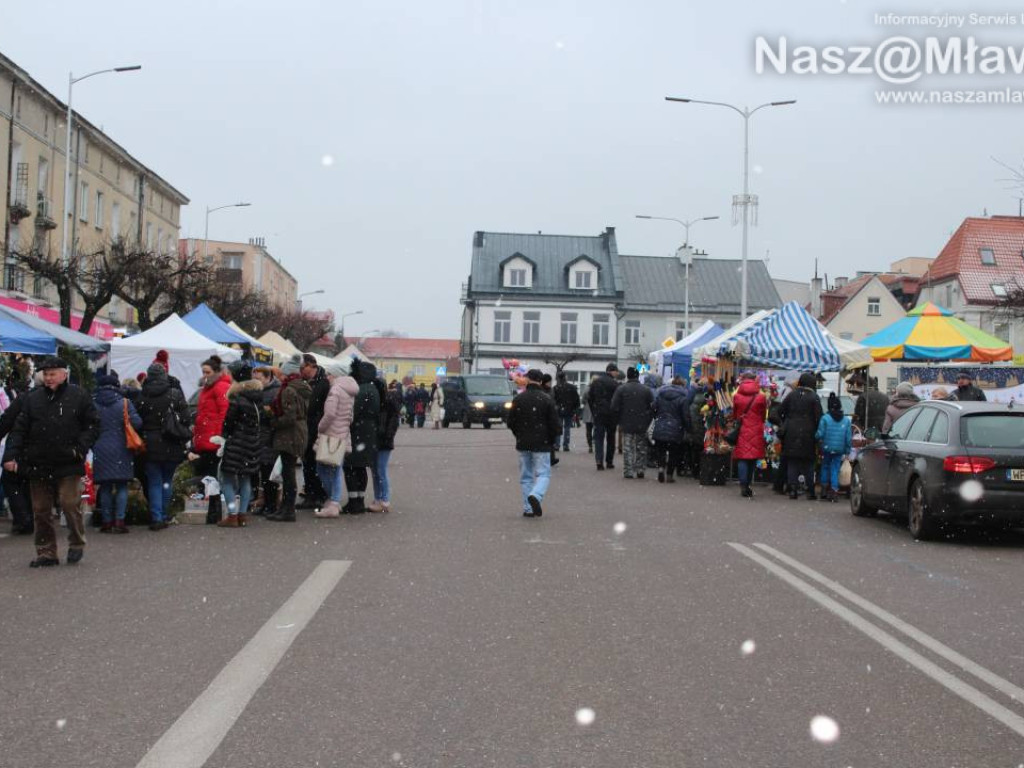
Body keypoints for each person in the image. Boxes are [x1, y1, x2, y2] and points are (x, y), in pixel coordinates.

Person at [5, 357, 99, 566]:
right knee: (41, 510)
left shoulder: (78, 396)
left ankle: (76, 542)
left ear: (64, 374)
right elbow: (19, 429)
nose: (48, 378)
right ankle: (46, 552)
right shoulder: (33, 399)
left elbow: (93, 425)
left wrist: (79, 449)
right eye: (46, 374)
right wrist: (10, 455)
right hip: (38, 462)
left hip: (68, 461)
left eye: (52, 374)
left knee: (69, 504)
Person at [136, 363, 191, 531]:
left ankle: (156, 517)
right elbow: (186, 418)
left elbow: (137, 422)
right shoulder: (174, 394)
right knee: (167, 480)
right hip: (172, 441)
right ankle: (164, 514)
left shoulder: (142, 395)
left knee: (154, 481)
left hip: (150, 443)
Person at [92, 371, 142, 533]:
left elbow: (88, 426)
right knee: (121, 485)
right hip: (122, 447)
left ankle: (106, 521)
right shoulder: (124, 403)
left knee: (105, 486)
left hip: (100, 447)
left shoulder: (93, 403)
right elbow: (137, 423)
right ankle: (120, 521)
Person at [216, 361, 265, 528]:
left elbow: (228, 423)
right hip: (252, 443)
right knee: (245, 479)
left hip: (237, 443)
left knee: (226, 479)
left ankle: (232, 515)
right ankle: (242, 514)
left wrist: (224, 436)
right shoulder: (257, 397)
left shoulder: (237, 398)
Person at [507, 369, 560, 518]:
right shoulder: (547, 399)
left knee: (526, 476)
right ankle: (536, 495)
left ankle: (528, 508)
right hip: (542, 443)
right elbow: (555, 425)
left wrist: (519, 434)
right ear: (541, 381)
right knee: (544, 474)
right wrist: (551, 439)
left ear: (527, 379)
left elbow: (510, 421)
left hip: (523, 442)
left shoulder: (518, 399)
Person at [266, 355, 312, 522]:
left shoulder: (289, 390)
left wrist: (273, 420)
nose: (280, 376)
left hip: (290, 434)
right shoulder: (302, 387)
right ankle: (286, 508)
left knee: (288, 473)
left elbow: (289, 417)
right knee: (289, 471)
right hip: (299, 432)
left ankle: (288, 509)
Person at [313, 362, 358, 518]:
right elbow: (351, 417)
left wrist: (320, 427)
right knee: (335, 469)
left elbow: (330, 414)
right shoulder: (349, 391)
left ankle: (334, 501)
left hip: (331, 434)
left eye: (328, 374)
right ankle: (334, 501)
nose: (326, 377)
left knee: (323, 468)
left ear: (335, 375)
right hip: (343, 433)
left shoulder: (335, 390)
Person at [193, 355, 232, 524]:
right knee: (209, 477)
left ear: (216, 372)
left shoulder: (219, 387)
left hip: (212, 440)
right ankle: (212, 511)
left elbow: (224, 413)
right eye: (203, 372)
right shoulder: (208, 388)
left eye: (207, 372)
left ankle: (214, 512)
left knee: (213, 477)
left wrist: (219, 437)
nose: (204, 375)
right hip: (206, 437)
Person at [343, 361, 381, 514]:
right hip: (369, 432)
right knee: (361, 468)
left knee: (350, 467)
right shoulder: (373, 388)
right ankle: (359, 500)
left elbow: (353, 412)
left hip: (358, 432)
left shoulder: (361, 389)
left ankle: (353, 502)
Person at [779, 372, 823, 500]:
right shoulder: (814, 397)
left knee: (792, 462)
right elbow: (819, 417)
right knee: (808, 462)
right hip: (808, 433)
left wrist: (786, 423)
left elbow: (779, 411)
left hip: (791, 432)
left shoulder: (792, 395)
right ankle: (810, 491)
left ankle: (792, 490)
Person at [298, 354, 331, 509]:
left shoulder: (323, 383)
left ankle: (319, 495)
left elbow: (321, 408)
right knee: (307, 464)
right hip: (306, 428)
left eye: (302, 367)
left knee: (316, 464)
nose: (300, 371)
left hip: (316, 428)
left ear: (311, 365)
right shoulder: (305, 382)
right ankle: (310, 495)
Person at [0, 384, 33, 535]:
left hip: (19, 448)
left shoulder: (24, 399)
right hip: (39, 449)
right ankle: (30, 518)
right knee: (30, 482)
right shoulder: (56, 399)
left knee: (12, 481)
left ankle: (23, 519)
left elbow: (7, 420)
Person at [610, 366, 654, 479]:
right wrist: (647, 418)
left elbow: (614, 406)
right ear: (638, 376)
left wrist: (619, 418)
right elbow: (653, 407)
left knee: (628, 448)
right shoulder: (646, 390)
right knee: (641, 447)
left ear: (628, 376)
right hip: (642, 423)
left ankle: (628, 471)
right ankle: (640, 469)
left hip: (626, 423)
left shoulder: (621, 389)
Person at [731, 371, 768, 498]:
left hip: (742, 428)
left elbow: (735, 414)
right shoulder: (761, 397)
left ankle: (743, 484)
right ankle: (747, 485)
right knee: (752, 457)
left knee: (742, 458)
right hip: (756, 429)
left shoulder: (737, 396)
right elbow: (763, 414)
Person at [252, 367, 281, 517]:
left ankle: (271, 505)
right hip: (261, 437)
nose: (256, 382)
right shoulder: (259, 392)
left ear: (268, 377)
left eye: (259, 379)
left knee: (269, 473)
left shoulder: (275, 392)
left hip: (269, 438)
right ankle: (265, 503)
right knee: (263, 473)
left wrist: (263, 412)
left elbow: (275, 415)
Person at [371, 379, 403, 513]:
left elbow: (393, 421)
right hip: (378, 440)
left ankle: (384, 499)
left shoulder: (387, 402)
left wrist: (386, 435)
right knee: (376, 470)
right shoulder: (378, 401)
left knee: (380, 470)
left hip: (383, 441)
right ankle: (378, 499)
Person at [816, 392, 853, 503]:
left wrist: (816, 437)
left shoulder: (825, 418)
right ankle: (834, 491)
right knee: (835, 468)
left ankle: (824, 490)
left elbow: (820, 434)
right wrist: (847, 450)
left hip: (826, 447)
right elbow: (848, 438)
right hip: (839, 449)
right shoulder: (846, 420)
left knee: (825, 466)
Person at [652, 376, 688, 484]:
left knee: (661, 450)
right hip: (676, 428)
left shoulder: (661, 394)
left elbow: (653, 408)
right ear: (682, 385)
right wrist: (688, 427)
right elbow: (685, 415)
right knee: (673, 452)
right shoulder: (683, 397)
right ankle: (669, 475)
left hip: (660, 426)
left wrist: (658, 418)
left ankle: (661, 468)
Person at [587, 363, 621, 471]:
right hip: (611, 414)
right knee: (611, 438)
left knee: (599, 438)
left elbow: (590, 398)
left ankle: (599, 461)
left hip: (599, 413)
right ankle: (609, 461)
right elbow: (618, 401)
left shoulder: (596, 382)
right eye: (616, 371)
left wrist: (594, 411)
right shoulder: (615, 384)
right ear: (611, 371)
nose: (617, 373)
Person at [553, 372, 581, 452]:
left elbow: (554, 399)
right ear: (565, 377)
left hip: (559, 410)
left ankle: (557, 444)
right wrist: (575, 408)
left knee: (558, 427)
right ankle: (566, 445)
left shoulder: (556, 388)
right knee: (567, 428)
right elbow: (576, 399)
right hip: (569, 410)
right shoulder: (572, 387)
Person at [581, 377, 596, 453]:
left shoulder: (587, 389)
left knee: (588, 429)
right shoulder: (599, 389)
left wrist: (586, 403)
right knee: (597, 428)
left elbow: (583, 400)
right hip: (596, 410)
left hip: (588, 410)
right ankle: (595, 441)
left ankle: (590, 445)